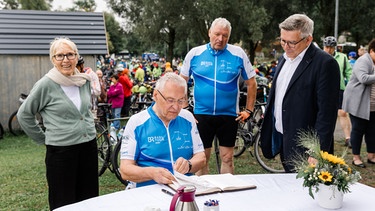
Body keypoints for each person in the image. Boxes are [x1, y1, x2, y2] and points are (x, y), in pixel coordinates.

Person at [17, 37, 98, 210]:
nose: (66, 60)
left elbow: (84, 112)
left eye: (70, 54)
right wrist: (43, 139)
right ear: (53, 59)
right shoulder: (46, 84)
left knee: (89, 199)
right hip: (61, 152)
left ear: (77, 57)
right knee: (64, 201)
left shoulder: (83, 80)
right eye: (60, 56)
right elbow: (24, 114)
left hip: (88, 147)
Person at [260, 14, 340, 173]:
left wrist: (317, 151)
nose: (285, 46)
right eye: (283, 40)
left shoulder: (325, 64)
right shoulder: (284, 59)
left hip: (307, 149)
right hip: (285, 140)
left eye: (291, 42)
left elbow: (327, 114)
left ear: (308, 40)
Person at [180, 17, 257, 175]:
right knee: (202, 159)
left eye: (225, 35)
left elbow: (252, 83)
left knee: (227, 158)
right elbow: (181, 82)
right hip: (202, 114)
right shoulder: (195, 53)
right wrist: (185, 109)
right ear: (209, 33)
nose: (220, 39)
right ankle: (203, 195)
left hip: (229, 115)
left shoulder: (238, 54)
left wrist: (249, 110)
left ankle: (227, 195)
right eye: (217, 34)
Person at [119, 72, 206, 187]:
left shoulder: (188, 118)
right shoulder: (137, 122)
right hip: (148, 190)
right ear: (155, 95)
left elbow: (201, 158)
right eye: (170, 100)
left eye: (180, 101)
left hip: (183, 188)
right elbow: (125, 170)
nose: (175, 107)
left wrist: (189, 165)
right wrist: (152, 173)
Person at [342, 38, 375, 168]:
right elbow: (363, 78)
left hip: (372, 104)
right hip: (359, 103)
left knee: (372, 131)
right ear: (372, 51)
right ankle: (356, 158)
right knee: (358, 130)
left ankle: (371, 156)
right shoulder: (363, 60)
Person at [323, 36, 353, 147]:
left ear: (335, 47)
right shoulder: (319, 57)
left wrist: (349, 86)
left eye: (331, 47)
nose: (329, 49)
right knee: (323, 113)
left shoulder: (343, 57)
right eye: (327, 47)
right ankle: (323, 137)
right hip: (323, 89)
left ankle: (348, 138)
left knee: (342, 113)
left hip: (338, 89)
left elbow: (349, 73)